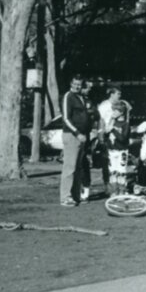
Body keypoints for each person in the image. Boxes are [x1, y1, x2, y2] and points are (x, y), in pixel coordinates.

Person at [60, 75, 91, 207]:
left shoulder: (82, 98)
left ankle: (75, 195)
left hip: (83, 136)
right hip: (72, 135)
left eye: (79, 84)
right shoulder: (69, 96)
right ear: (71, 84)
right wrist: (77, 133)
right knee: (70, 167)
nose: (77, 86)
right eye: (75, 84)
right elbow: (66, 118)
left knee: (78, 168)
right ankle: (65, 197)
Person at [105, 101, 131, 197]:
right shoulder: (112, 122)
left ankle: (122, 191)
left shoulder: (125, 125)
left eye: (115, 111)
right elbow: (106, 135)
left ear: (121, 112)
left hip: (122, 151)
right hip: (112, 150)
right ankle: (113, 191)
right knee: (112, 171)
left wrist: (113, 130)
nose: (113, 113)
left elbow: (123, 138)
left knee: (121, 171)